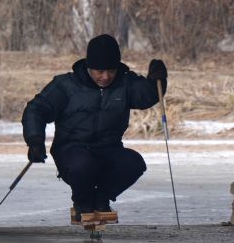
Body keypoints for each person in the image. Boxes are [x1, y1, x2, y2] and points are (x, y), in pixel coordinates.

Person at [22, 34, 168, 218]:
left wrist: (158, 79)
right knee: (83, 165)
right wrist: (35, 140)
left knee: (134, 163)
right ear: (89, 66)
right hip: (71, 150)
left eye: (111, 71)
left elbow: (147, 95)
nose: (106, 77)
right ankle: (83, 202)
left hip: (108, 150)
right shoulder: (66, 85)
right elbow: (36, 110)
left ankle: (101, 199)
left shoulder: (124, 83)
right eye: (99, 71)